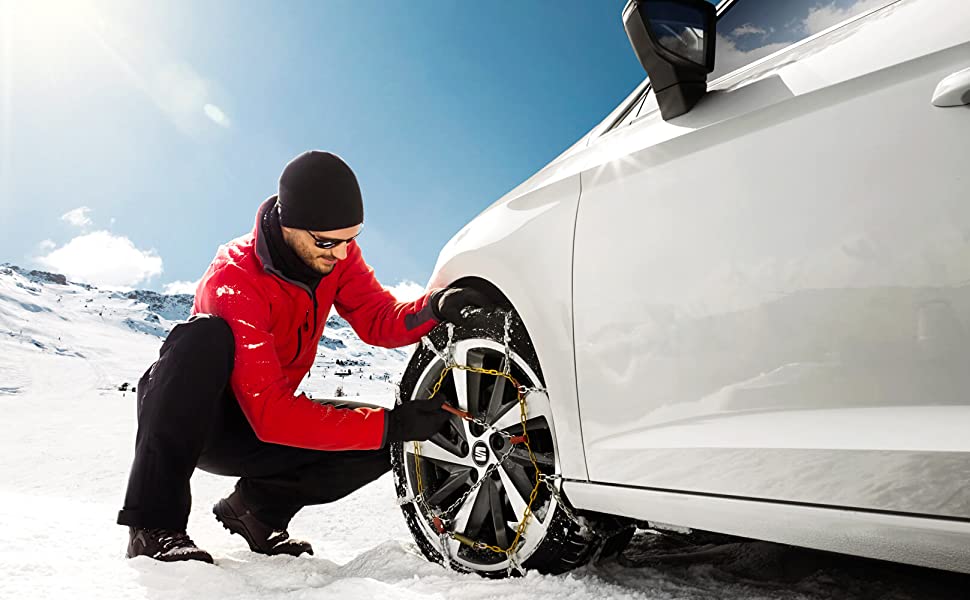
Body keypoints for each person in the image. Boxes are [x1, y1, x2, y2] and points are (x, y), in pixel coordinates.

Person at [117, 150, 493, 563]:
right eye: (328, 242)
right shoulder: (235, 279)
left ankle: (256, 512)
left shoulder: (334, 254)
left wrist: (434, 307)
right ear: (288, 225)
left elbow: (377, 319)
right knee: (201, 338)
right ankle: (153, 527)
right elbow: (272, 414)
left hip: (267, 422)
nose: (342, 254)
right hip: (205, 424)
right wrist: (391, 424)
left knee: (381, 440)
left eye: (351, 239)